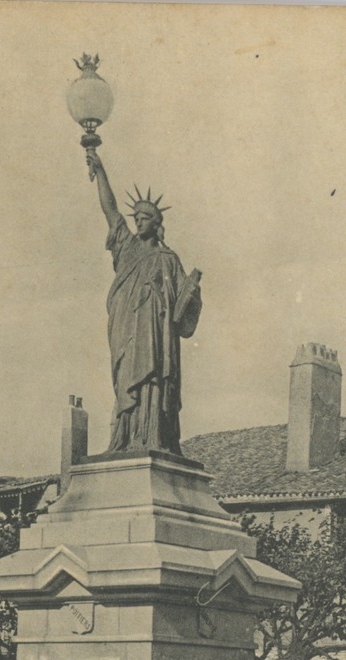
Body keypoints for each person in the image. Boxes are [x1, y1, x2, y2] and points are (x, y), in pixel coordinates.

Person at [86, 150, 202, 455]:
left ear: (157, 223)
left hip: (157, 336)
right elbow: (109, 209)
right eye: (135, 217)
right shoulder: (126, 246)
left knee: (154, 381)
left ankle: (153, 437)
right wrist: (100, 170)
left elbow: (183, 311)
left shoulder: (168, 259)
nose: (138, 222)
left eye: (144, 218)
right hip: (127, 330)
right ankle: (126, 438)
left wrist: (191, 292)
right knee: (127, 381)